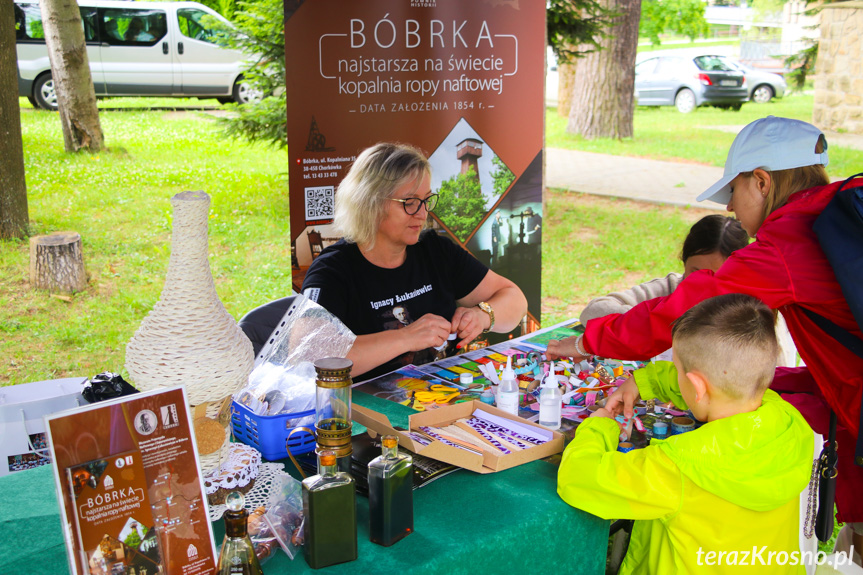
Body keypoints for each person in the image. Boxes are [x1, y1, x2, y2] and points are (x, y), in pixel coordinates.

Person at [548, 116, 863, 554]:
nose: (730, 208)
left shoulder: (791, 241)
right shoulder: (831, 216)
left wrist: (590, 340)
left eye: (733, 190)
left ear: (762, 182)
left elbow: (690, 306)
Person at [558, 294, 814, 575]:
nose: (676, 374)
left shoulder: (678, 466)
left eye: (678, 369)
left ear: (696, 385)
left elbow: (579, 477)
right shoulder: (789, 421)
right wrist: (644, 382)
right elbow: (716, 386)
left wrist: (600, 425)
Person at [301, 142, 527, 381]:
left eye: (426, 200)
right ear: (370, 203)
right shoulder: (332, 271)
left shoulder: (435, 250)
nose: (422, 213)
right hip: (364, 412)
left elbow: (515, 300)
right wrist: (406, 337)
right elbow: (311, 355)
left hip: (442, 397)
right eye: (409, 202)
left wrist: (482, 316)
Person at [579, 214, 749, 323]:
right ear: (684, 262)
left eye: (717, 277)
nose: (703, 284)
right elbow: (593, 311)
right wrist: (655, 319)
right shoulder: (670, 287)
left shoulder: (746, 308)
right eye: (696, 273)